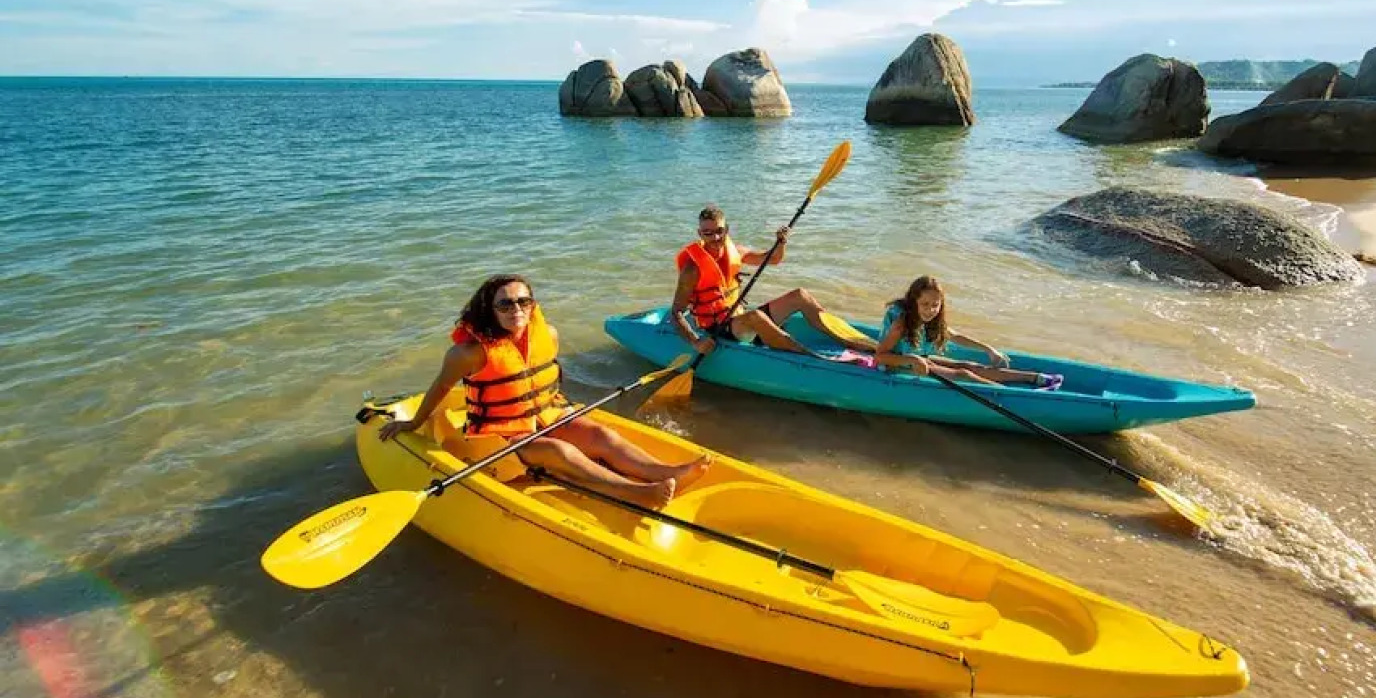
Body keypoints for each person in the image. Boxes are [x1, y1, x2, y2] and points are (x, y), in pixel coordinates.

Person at [379, 274, 709, 509]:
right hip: (498, 436)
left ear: (532, 303)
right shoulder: (468, 354)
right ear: (489, 309)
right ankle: (636, 493)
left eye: (523, 301)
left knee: (600, 434)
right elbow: (440, 388)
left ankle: (667, 473)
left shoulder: (547, 334)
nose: (515, 309)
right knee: (559, 452)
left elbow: (541, 383)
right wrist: (412, 423)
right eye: (505, 304)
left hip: (544, 417)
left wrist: (562, 417)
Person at [668, 204, 871, 358]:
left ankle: (849, 340)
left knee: (800, 295)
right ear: (700, 234)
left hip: (738, 319)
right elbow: (676, 312)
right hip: (717, 329)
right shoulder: (692, 269)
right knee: (756, 316)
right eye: (708, 233)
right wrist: (696, 342)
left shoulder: (735, 251)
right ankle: (810, 357)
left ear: (726, 229)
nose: (715, 237)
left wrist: (780, 243)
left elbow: (773, 259)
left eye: (719, 231)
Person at [873, 275, 1062, 389]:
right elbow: (880, 356)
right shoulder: (901, 323)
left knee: (969, 365)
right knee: (963, 374)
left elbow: (954, 336)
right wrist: (912, 360)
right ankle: (1009, 395)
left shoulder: (932, 319)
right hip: (897, 363)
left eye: (935, 305)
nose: (930, 310)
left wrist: (988, 349)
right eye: (925, 304)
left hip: (917, 359)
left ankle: (1035, 378)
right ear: (914, 302)